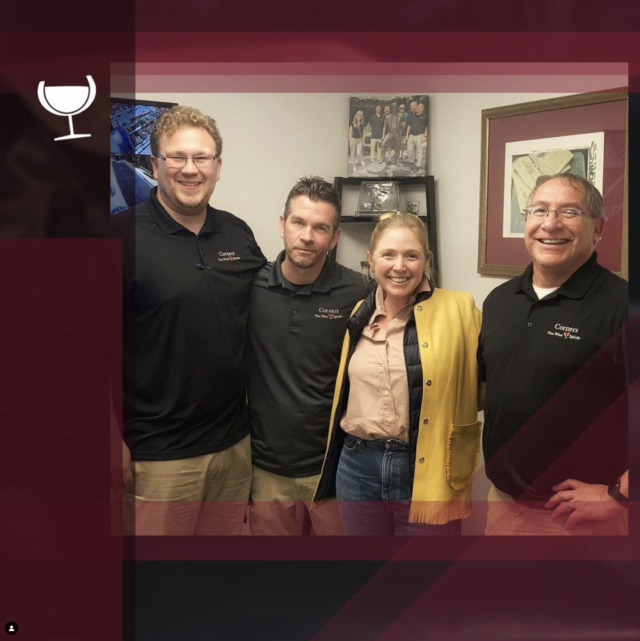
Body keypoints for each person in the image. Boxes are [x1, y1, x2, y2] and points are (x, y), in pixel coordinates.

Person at [111, 105, 266, 535]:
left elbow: (273, 306)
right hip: (157, 457)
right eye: (177, 157)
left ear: (218, 167)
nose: (189, 169)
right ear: (156, 164)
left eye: (201, 158)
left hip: (235, 447)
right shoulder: (119, 237)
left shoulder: (238, 233)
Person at [478, 173, 628, 536]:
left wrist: (620, 496)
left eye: (569, 212)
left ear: (597, 229)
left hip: (577, 520)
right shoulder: (499, 301)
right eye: (539, 210)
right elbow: (489, 391)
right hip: (500, 504)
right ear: (526, 222)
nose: (550, 223)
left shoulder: (621, 306)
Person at [314, 213, 482, 535]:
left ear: (426, 260)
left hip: (425, 467)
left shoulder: (460, 310)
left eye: (411, 255)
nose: (399, 266)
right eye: (388, 254)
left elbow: (488, 384)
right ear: (371, 259)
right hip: (357, 467)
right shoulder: (358, 315)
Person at [247, 177, 369, 535]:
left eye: (320, 228)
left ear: (334, 238)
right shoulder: (250, 286)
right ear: (282, 225)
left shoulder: (357, 292)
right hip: (266, 470)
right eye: (298, 223)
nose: (307, 236)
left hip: (334, 468)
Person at [405, 102, 427, 169]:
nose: (418, 108)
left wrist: (425, 136)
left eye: (420, 107)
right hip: (411, 135)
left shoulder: (425, 116)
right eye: (418, 107)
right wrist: (407, 135)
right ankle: (411, 161)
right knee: (409, 149)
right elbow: (409, 126)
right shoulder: (413, 116)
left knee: (419, 150)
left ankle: (418, 164)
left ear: (423, 109)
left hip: (420, 135)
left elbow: (427, 126)